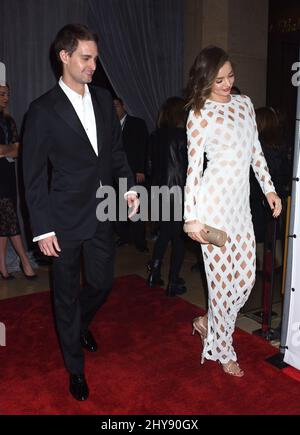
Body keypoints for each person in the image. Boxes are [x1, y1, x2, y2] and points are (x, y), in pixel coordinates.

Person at [22, 24, 139, 401]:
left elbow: (116, 154)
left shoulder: (105, 100)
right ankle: (75, 368)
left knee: (103, 283)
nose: (93, 65)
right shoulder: (41, 110)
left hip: (103, 211)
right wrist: (42, 229)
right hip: (64, 219)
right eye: (86, 58)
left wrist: (129, 187)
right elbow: (34, 175)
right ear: (65, 57)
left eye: (95, 57)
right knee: (65, 296)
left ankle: (79, 326)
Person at [184, 46, 282, 377]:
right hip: (212, 207)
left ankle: (208, 321)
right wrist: (191, 217)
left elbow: (256, 152)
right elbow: (193, 170)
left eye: (231, 77)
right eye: (219, 79)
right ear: (205, 79)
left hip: (240, 209)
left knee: (245, 279)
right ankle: (223, 348)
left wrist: (269, 188)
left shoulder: (243, 106)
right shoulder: (199, 113)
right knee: (221, 284)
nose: (227, 84)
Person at [147, 97, 188, 296]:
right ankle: (173, 281)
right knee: (179, 238)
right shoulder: (184, 136)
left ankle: (154, 273)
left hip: (158, 191)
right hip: (178, 192)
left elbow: (151, 166)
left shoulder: (155, 135)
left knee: (164, 234)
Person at [0, 84, 37, 280]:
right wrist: (8, 150)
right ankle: (24, 262)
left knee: (5, 221)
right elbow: (10, 149)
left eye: (7, 94)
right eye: (2, 94)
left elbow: (17, 149)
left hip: (7, 175)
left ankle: (3, 267)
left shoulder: (8, 121)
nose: (6, 97)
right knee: (9, 219)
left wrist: (4, 150)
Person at [113, 97, 149, 252]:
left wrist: (141, 169)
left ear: (123, 105)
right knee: (117, 208)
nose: (114, 109)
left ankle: (140, 241)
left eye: (116, 105)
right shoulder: (109, 125)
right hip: (114, 174)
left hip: (134, 172)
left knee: (137, 209)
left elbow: (144, 147)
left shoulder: (137, 123)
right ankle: (124, 237)